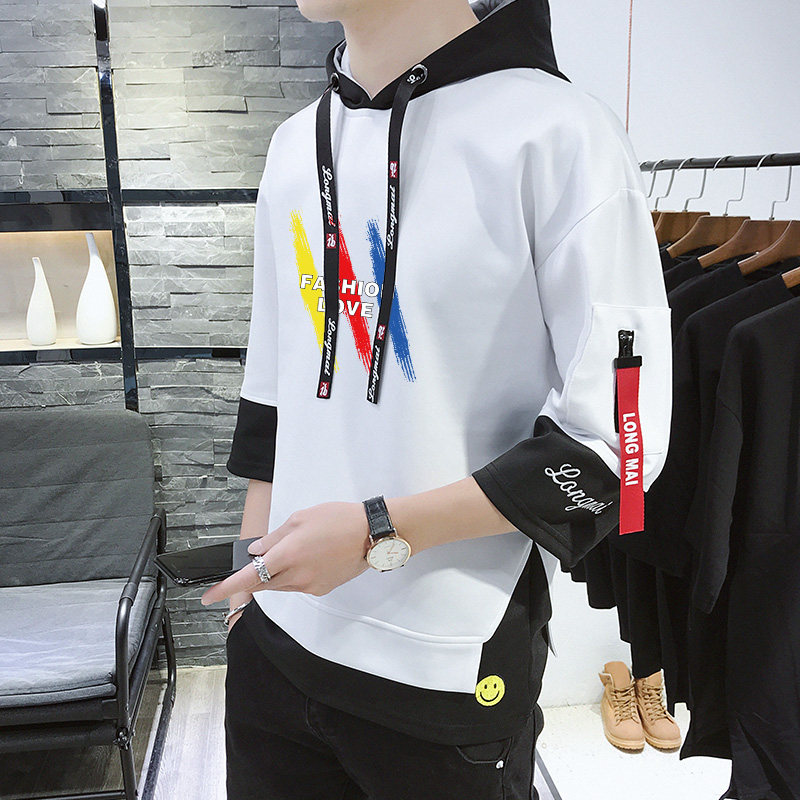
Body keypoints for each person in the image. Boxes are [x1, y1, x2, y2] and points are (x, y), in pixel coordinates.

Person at [200, 0, 673, 797]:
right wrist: (248, 596)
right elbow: (272, 392)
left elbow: (620, 449)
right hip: (275, 652)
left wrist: (378, 532)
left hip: (448, 669)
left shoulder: (559, 134)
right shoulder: (294, 146)